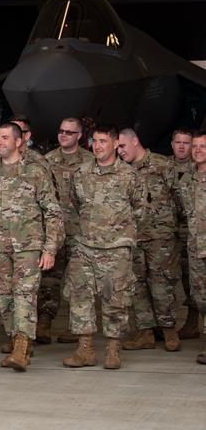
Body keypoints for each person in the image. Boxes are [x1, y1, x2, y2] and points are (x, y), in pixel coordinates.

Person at [0, 123, 62, 371]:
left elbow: (53, 213)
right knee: (5, 300)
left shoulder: (35, 171)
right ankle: (16, 339)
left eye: (5, 138)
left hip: (28, 247)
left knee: (24, 295)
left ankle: (21, 348)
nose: (0, 142)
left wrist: (49, 248)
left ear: (18, 141)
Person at [62, 124, 144, 370]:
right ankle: (85, 349)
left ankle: (112, 349)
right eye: (95, 141)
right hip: (84, 246)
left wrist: (119, 234)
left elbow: (139, 210)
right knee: (79, 297)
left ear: (116, 145)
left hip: (116, 249)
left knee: (115, 299)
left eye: (103, 141)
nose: (97, 146)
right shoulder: (81, 173)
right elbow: (76, 205)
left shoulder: (130, 176)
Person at [117, 127, 183, 351]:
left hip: (160, 238)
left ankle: (169, 331)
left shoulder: (163, 164)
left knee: (162, 284)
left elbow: (179, 197)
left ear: (135, 141)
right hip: (133, 239)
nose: (120, 151)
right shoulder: (121, 170)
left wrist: (172, 225)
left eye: (123, 146)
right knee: (137, 287)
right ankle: (145, 332)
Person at [43, 117, 94, 343]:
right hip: (53, 231)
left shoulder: (91, 162)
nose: (64, 135)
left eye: (70, 132)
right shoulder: (46, 161)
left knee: (78, 280)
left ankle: (76, 326)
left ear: (79, 136)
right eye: (61, 131)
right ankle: (44, 322)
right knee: (48, 278)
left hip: (79, 232)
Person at [176, 130, 206, 364]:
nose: (197, 151)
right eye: (195, 147)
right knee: (199, 297)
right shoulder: (186, 179)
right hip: (196, 248)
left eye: (202, 146)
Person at [172, 128, 201, 339]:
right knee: (196, 291)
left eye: (187, 143)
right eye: (178, 142)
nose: (183, 147)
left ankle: (196, 326)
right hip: (183, 239)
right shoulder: (182, 177)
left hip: (198, 239)